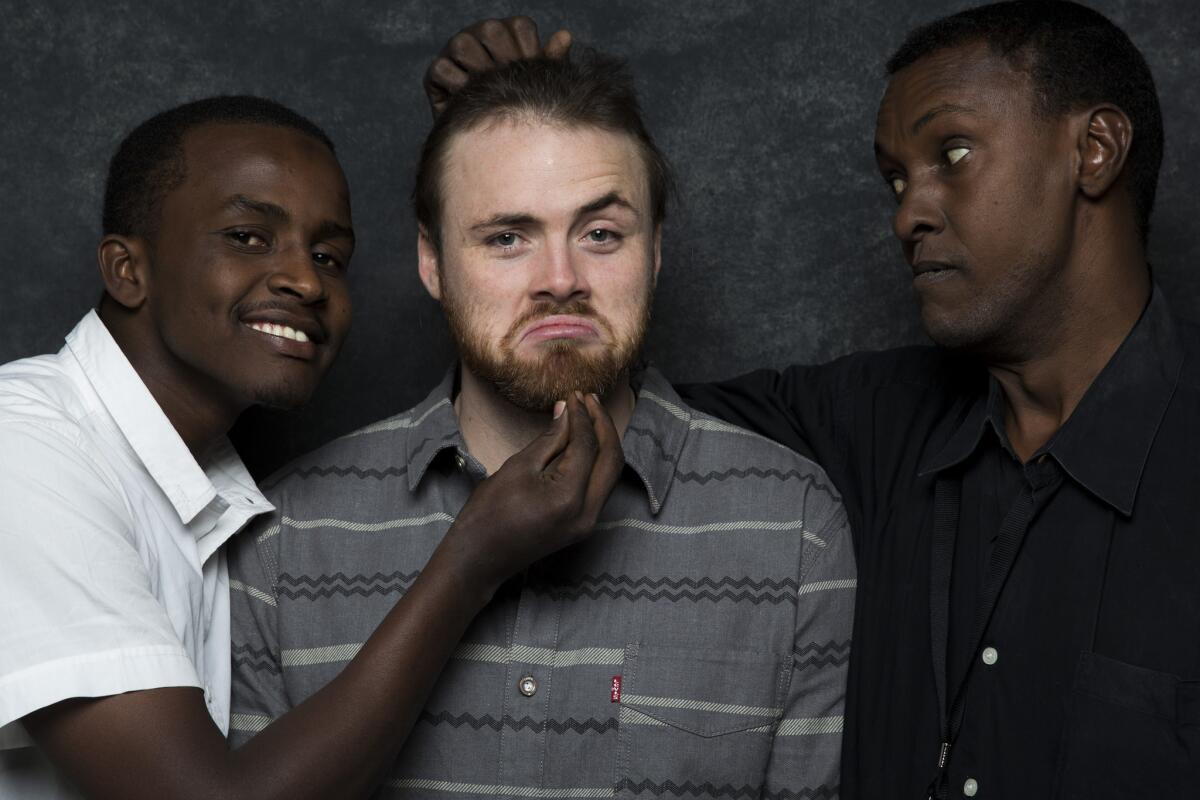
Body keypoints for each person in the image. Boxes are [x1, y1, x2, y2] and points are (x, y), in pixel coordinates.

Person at [429, 2, 1200, 798]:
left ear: (1095, 151)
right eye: (897, 179)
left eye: (954, 153)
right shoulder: (872, 423)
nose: (909, 213)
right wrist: (512, 147)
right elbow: (607, 400)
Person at [228, 53, 856, 798]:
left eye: (600, 234)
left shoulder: (792, 527)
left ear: (656, 250)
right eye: (506, 238)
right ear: (432, 261)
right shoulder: (284, 536)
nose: (560, 278)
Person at [0, 92, 621, 799]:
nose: (305, 280)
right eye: (247, 237)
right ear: (127, 271)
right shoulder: (26, 448)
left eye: (330, 255)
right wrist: (471, 560)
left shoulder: (209, 487)